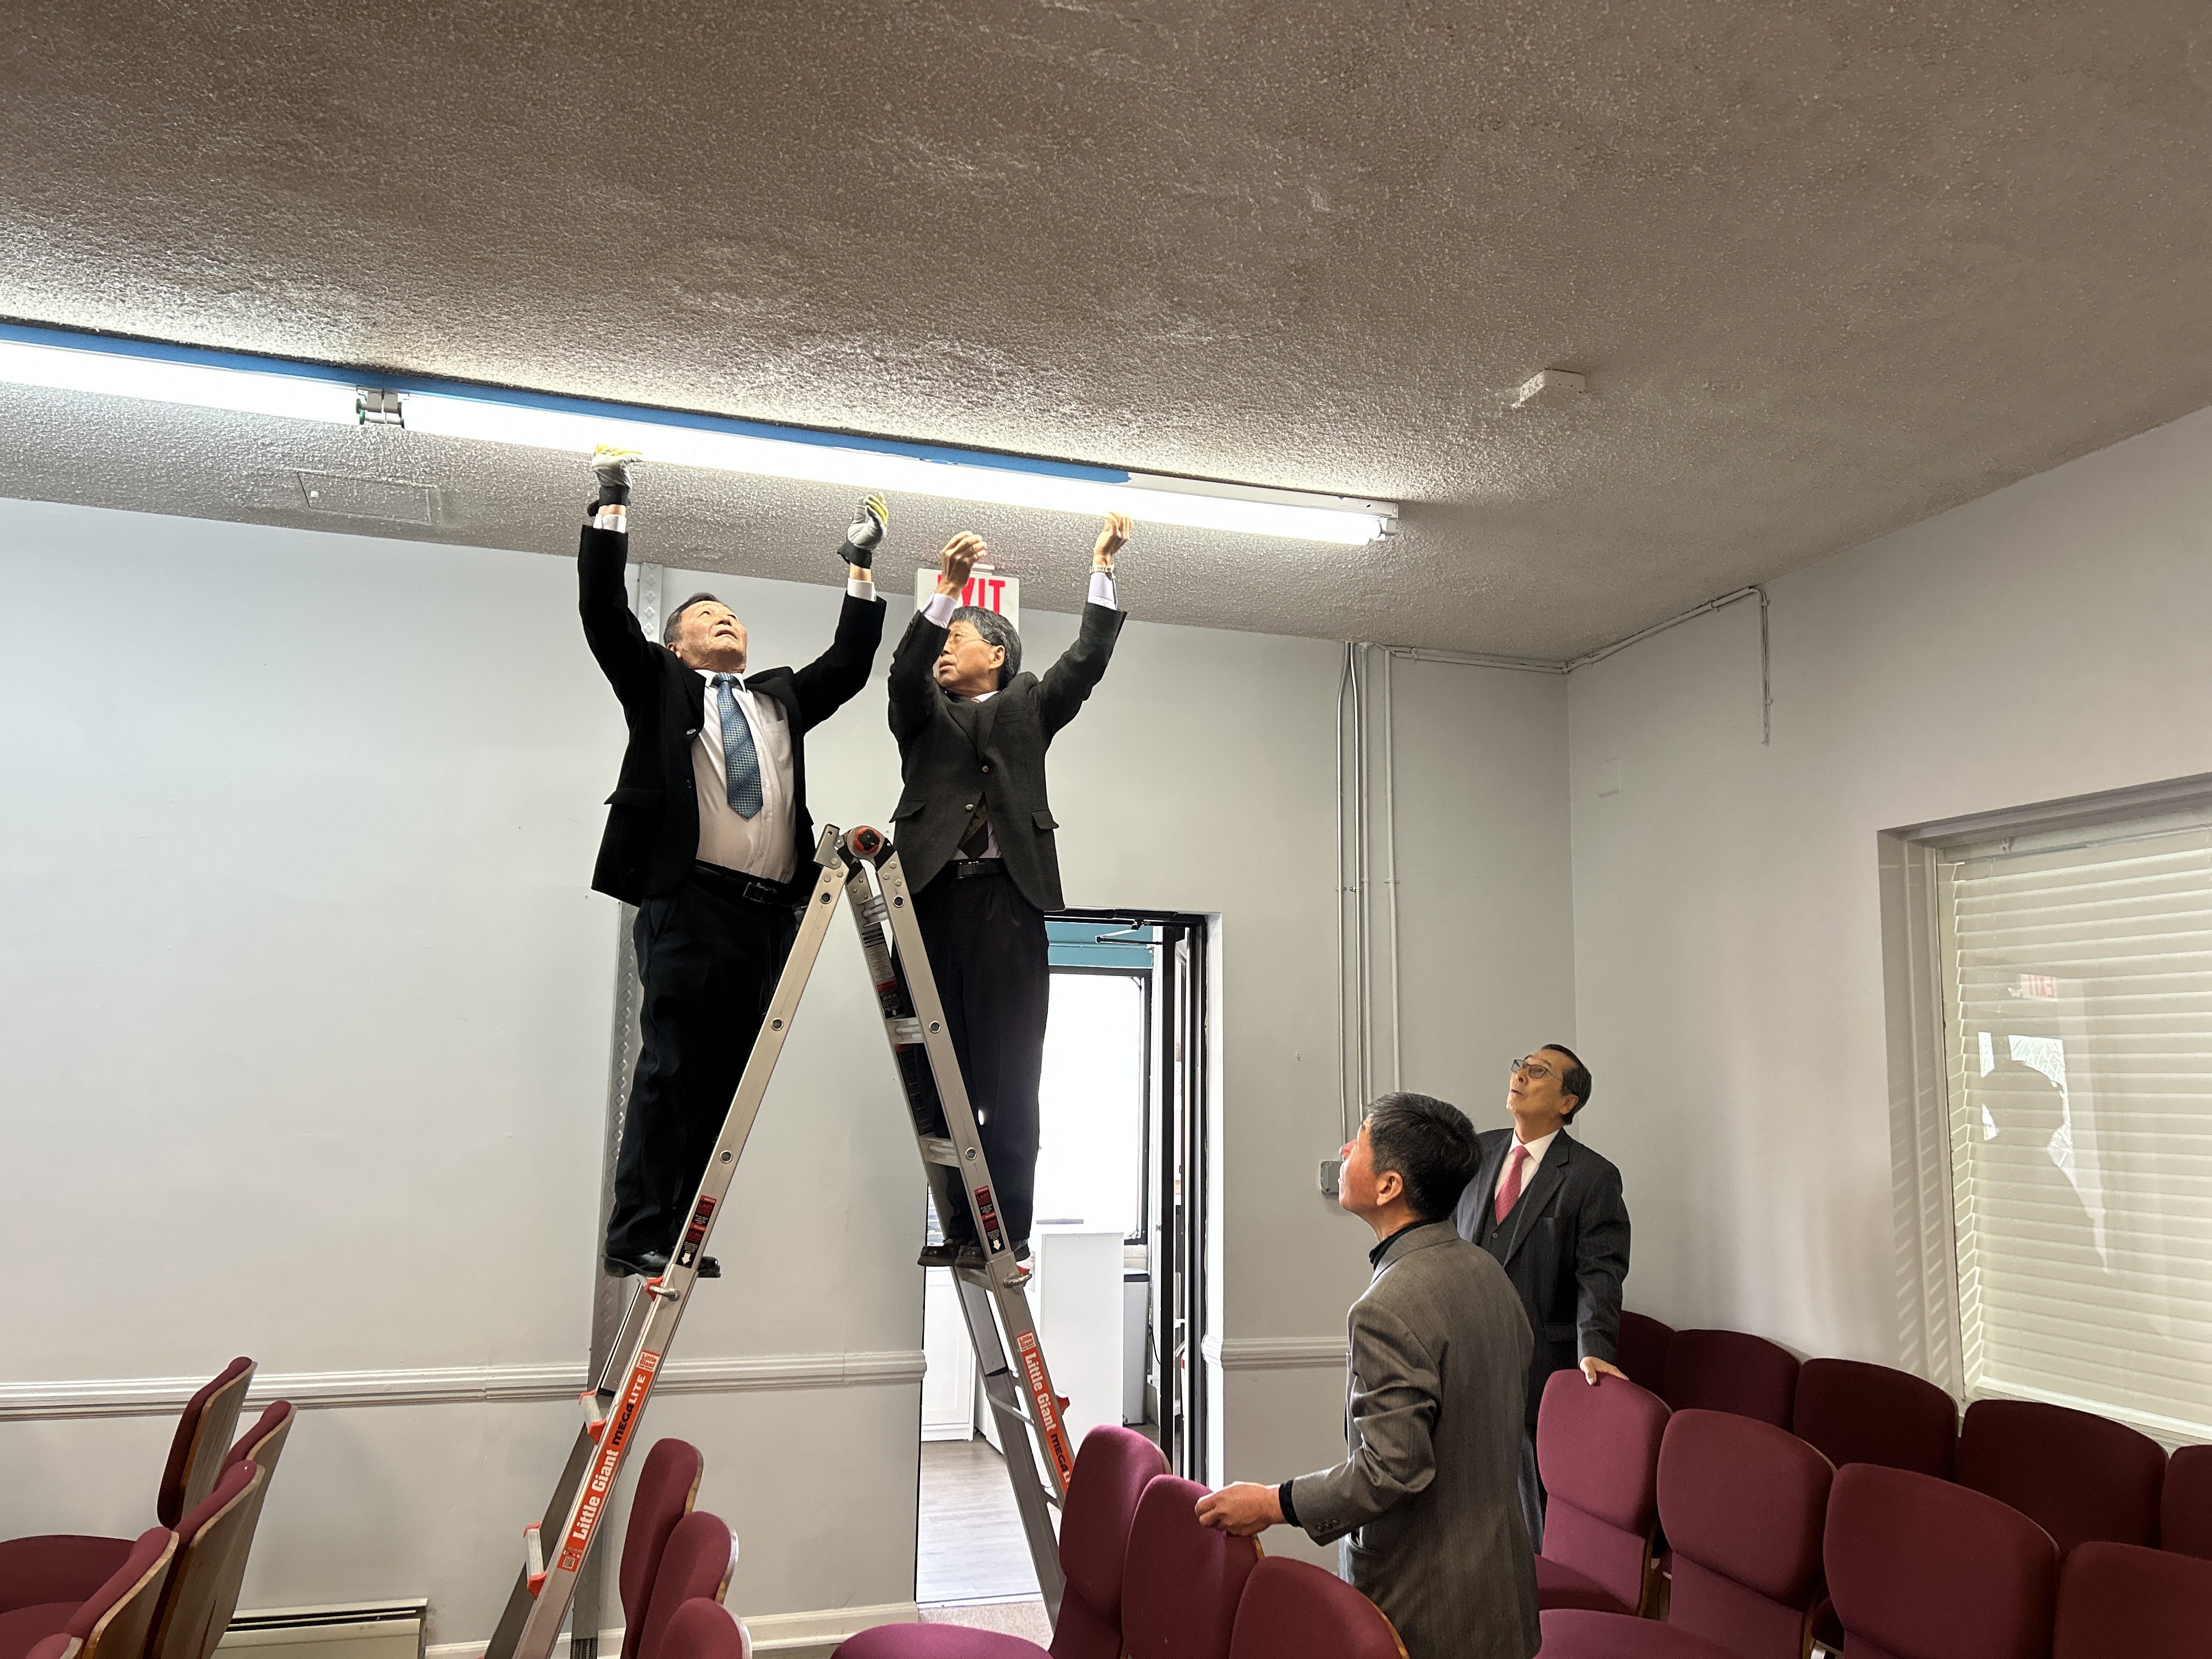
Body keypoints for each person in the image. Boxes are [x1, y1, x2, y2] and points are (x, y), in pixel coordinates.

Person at [579, 447, 889, 1279]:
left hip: (768, 915)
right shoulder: (659, 686)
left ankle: (681, 1232)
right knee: (672, 1068)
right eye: (708, 617)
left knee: (728, 1081)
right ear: (676, 645)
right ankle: (634, 1234)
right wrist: (612, 501)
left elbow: (851, 664)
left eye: (733, 618)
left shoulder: (779, 699)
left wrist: (860, 567)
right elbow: (604, 610)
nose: (726, 622)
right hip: (689, 902)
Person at [1196, 1093, 1541, 1659]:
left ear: (1389, 1186)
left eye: (1358, 1142)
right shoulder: (1488, 1272)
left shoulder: (1387, 1307)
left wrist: (1273, 1503)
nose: (1344, 1151)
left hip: (1427, 1604)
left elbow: (1390, 1470)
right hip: (1501, 1593)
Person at [885, 515, 1130, 1266]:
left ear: (997, 653)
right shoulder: (921, 713)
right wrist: (944, 596)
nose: (944, 651)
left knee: (1011, 1072)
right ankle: (959, 1228)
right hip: (928, 897)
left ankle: (1006, 1227)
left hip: (1007, 900)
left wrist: (1101, 568)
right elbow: (904, 673)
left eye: (957, 639)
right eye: (943, 640)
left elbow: (1086, 661)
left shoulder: (1028, 704)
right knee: (937, 1071)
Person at [1452, 1044, 1632, 1549]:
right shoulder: (1477, 1153)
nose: (1521, 1076)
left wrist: (1594, 1346)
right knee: (1465, 1501)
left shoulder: (1592, 1176)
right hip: (1464, 1361)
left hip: (1537, 1367)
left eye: (1538, 1072)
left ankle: (1538, 1594)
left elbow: (1600, 1270)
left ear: (1568, 1102)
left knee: (1534, 1519)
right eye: (1520, 1067)